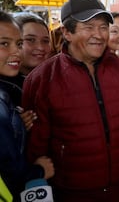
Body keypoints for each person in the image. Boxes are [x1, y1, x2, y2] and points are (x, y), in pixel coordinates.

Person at [23, 0, 119, 201]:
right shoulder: (41, 80)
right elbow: (36, 143)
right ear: (67, 32)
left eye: (103, 27)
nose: (98, 35)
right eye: (89, 27)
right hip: (69, 191)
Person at [0, 11, 54, 200]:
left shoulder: (56, 80)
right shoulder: (5, 97)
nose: (40, 47)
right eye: (29, 40)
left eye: (46, 40)